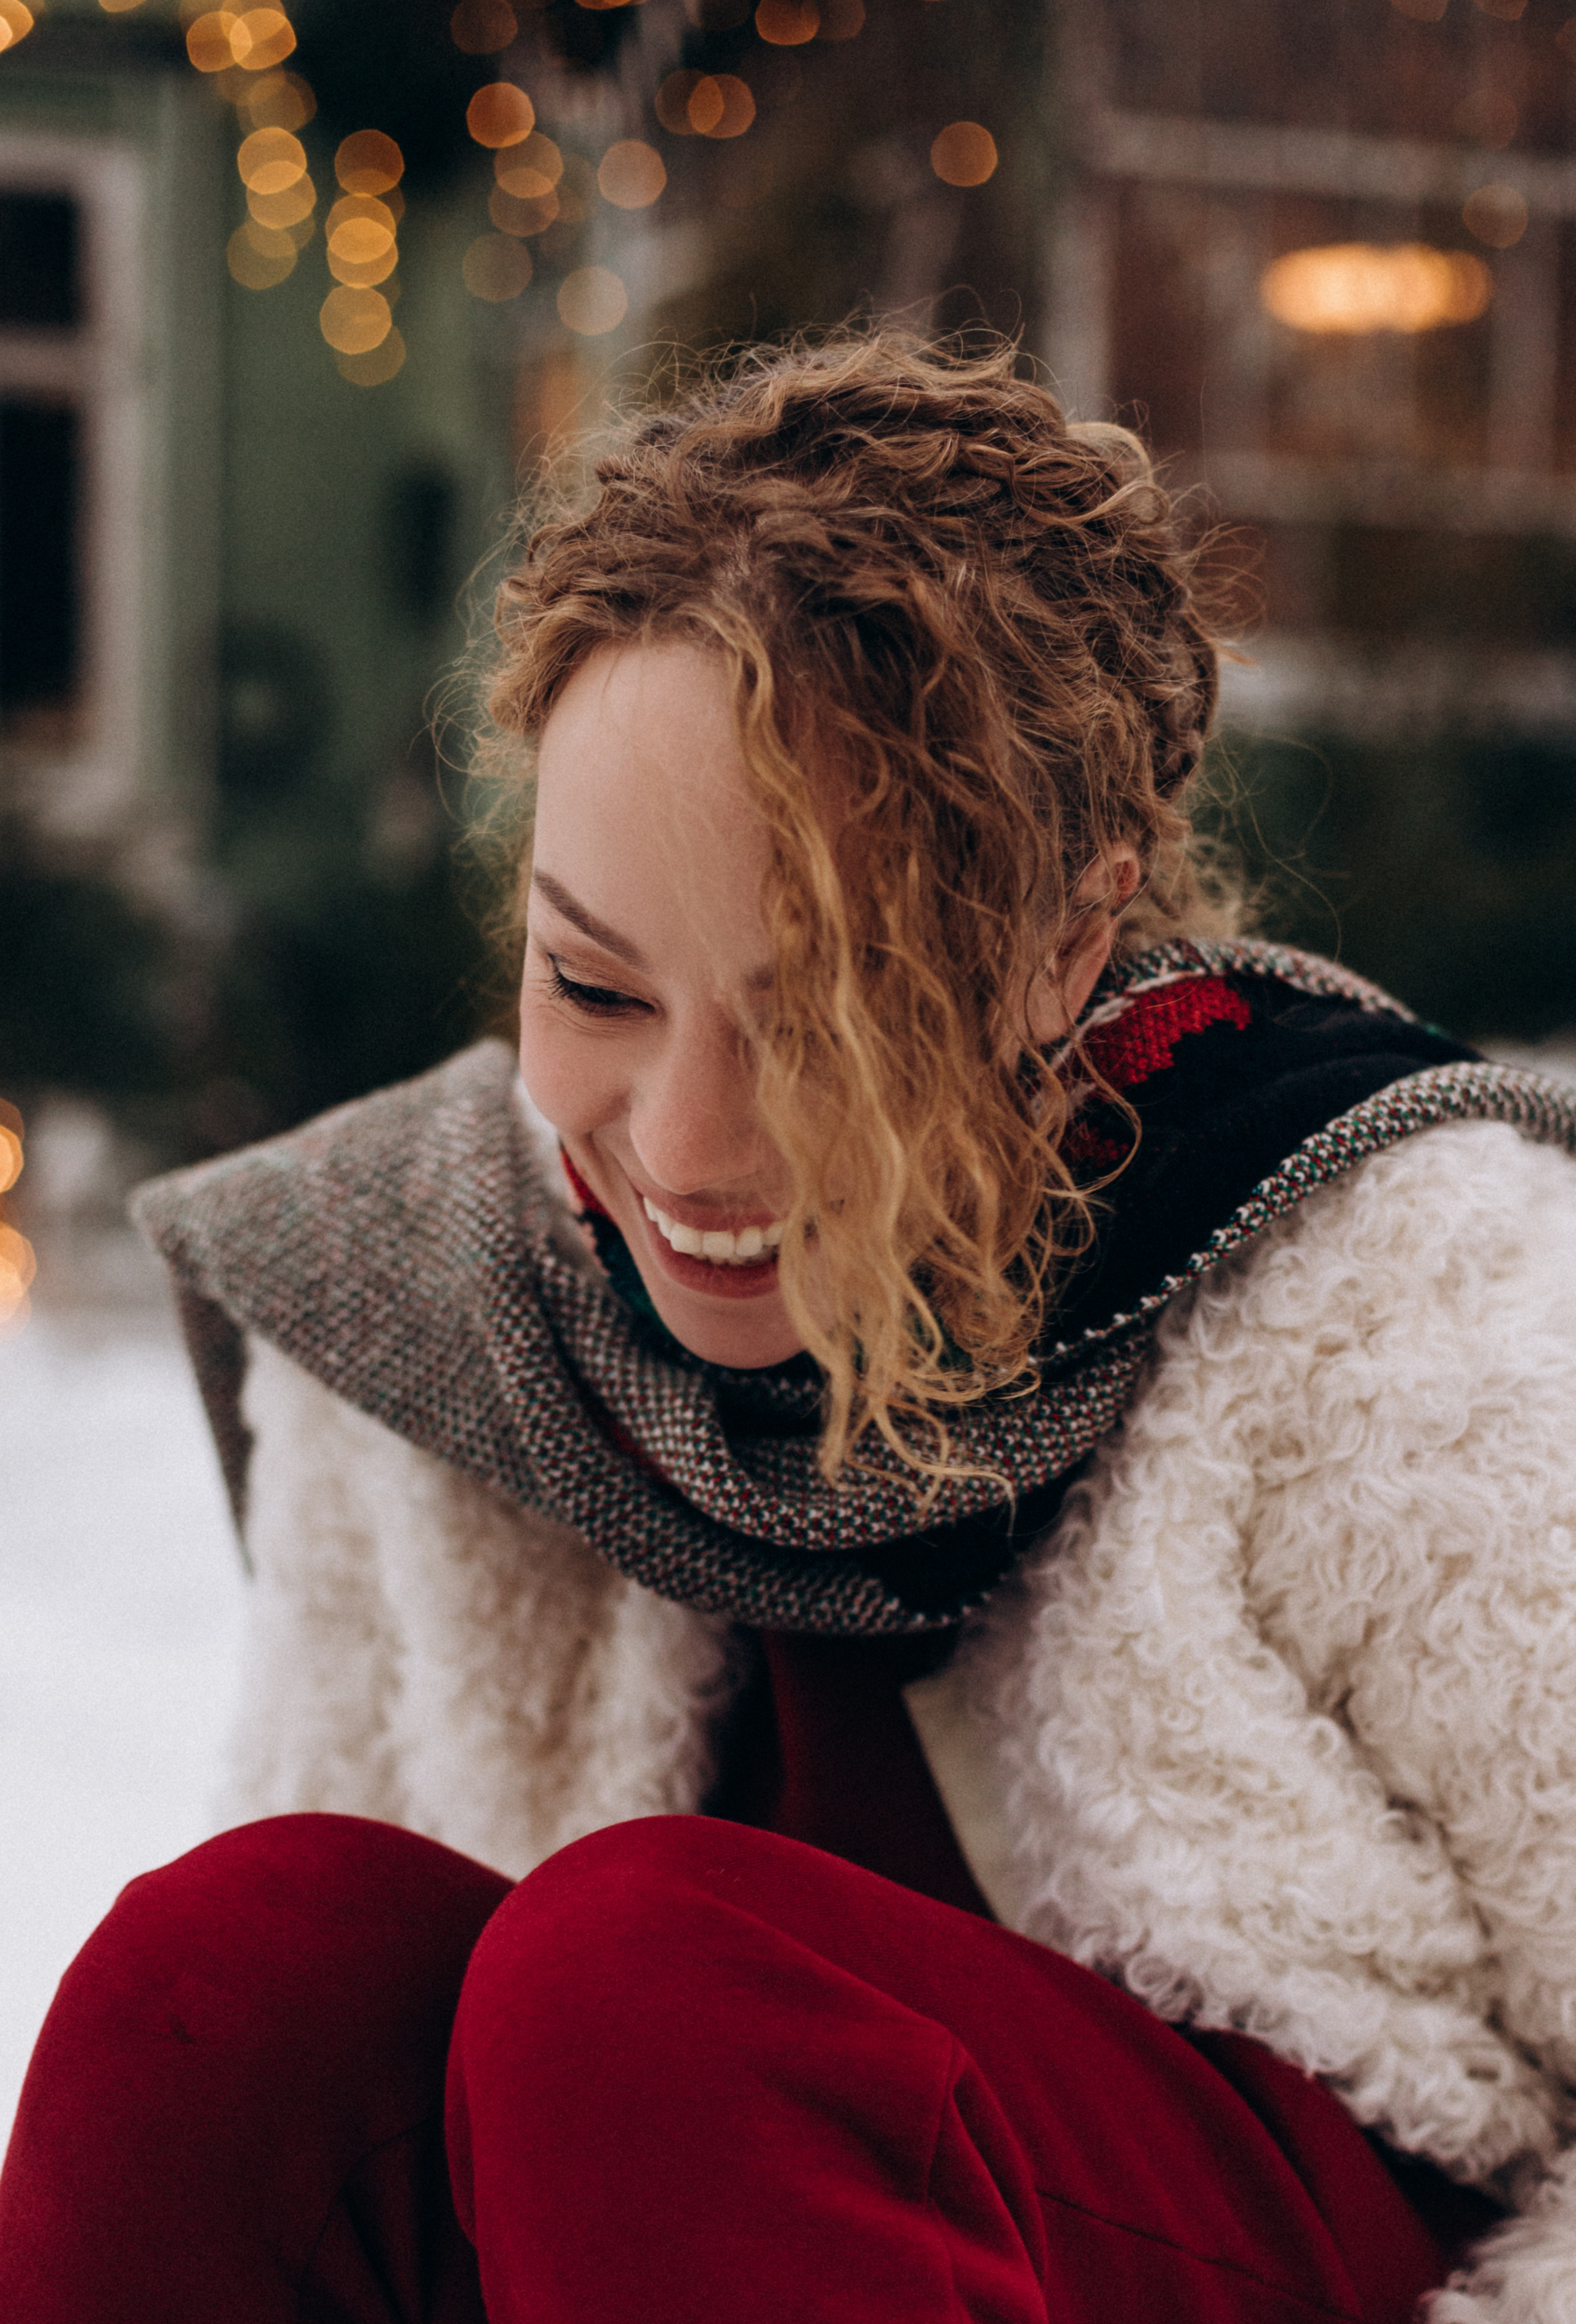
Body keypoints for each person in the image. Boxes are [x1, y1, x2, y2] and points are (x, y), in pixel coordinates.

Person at [4, 334, 1575, 2324]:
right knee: (228, 1979)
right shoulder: (441, 1297)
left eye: (824, 1019)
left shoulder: (1390, 1290)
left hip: (1252, 2243)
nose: (684, 1147)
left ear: (1068, 943)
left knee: (647, 1989)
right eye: (594, 985)